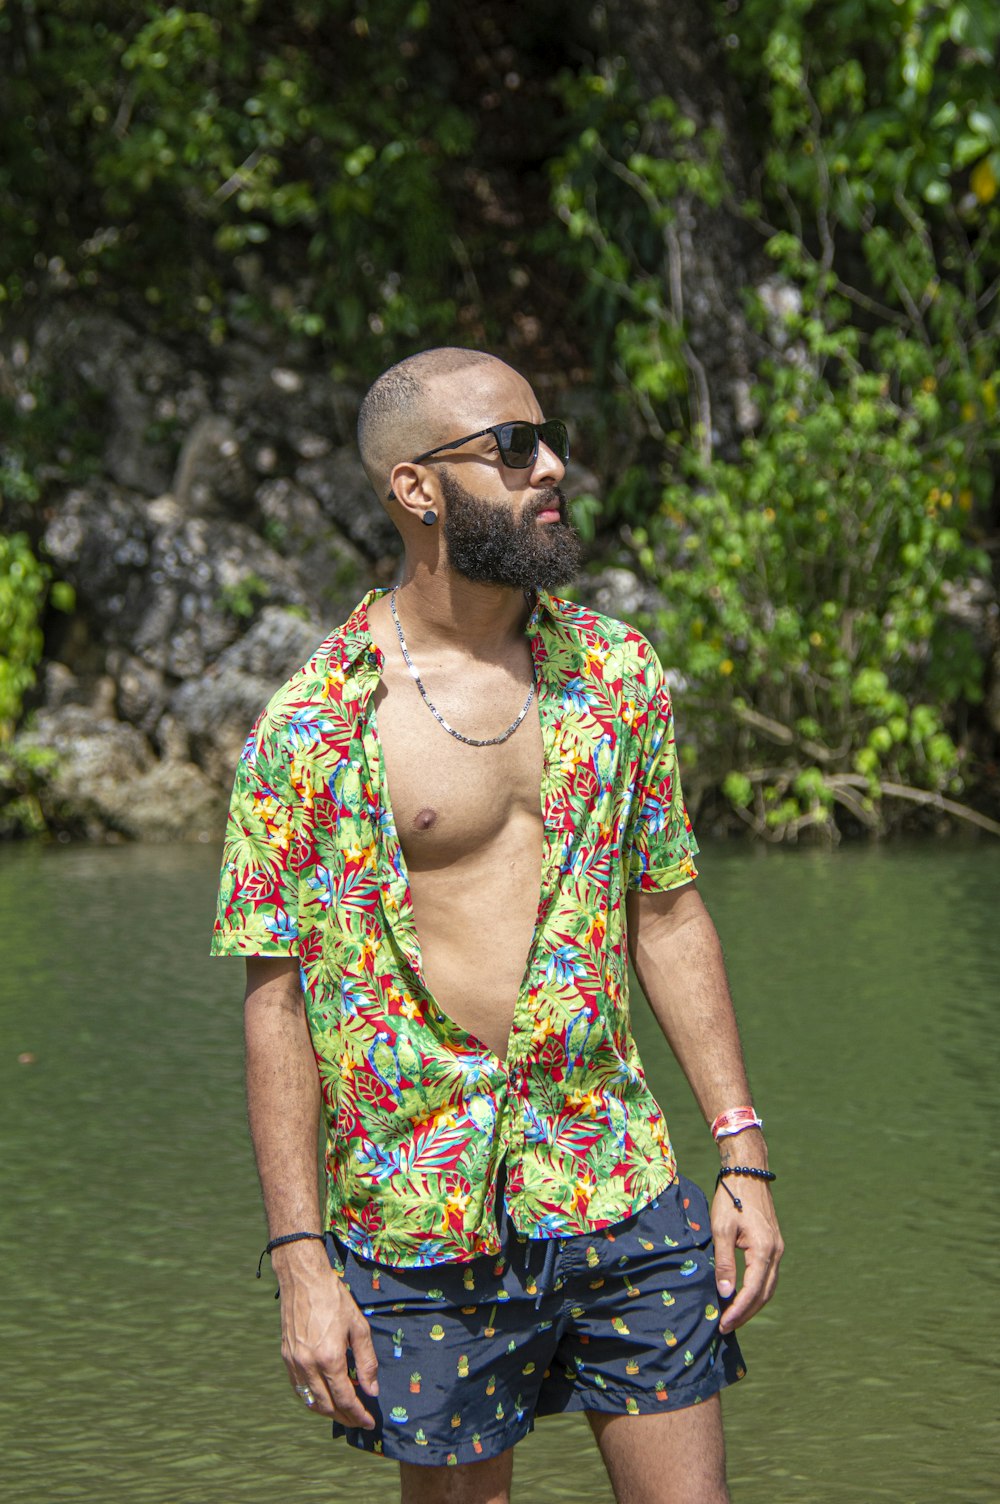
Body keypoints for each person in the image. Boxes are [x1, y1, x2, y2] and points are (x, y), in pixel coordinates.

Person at [212, 347, 783, 1504]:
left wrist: (741, 1151)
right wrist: (299, 1260)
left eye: (546, 437)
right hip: (427, 1215)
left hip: (614, 1170)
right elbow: (275, 1001)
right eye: (513, 448)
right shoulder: (314, 725)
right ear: (415, 488)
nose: (551, 466)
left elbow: (667, 914)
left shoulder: (613, 674)